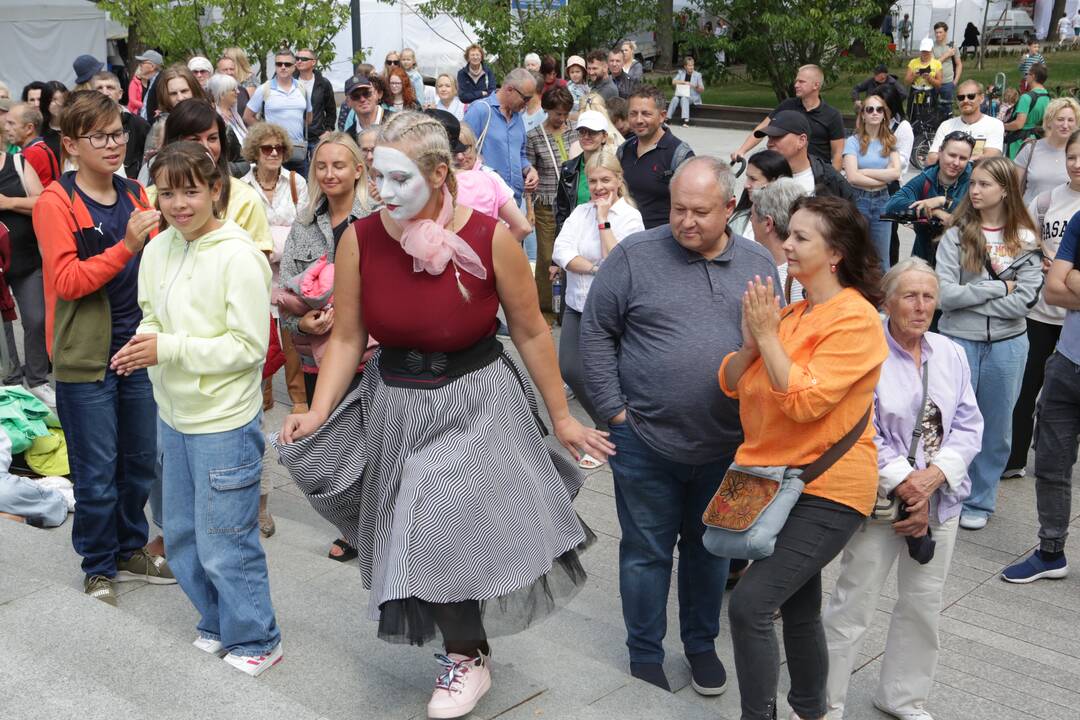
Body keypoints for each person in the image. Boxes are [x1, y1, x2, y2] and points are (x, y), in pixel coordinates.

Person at [276, 111, 610, 719]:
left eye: (400, 178)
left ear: (439, 172)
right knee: (412, 534)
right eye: (378, 176)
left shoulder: (490, 237)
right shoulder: (361, 238)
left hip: (475, 398)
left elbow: (533, 331)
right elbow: (348, 337)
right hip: (396, 401)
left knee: (433, 520)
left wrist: (561, 417)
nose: (384, 190)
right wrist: (317, 409)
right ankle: (468, 645)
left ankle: (464, 657)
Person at [581, 156, 779, 694]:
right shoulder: (635, 255)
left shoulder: (758, 264)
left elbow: (771, 347)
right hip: (644, 438)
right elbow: (596, 331)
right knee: (645, 551)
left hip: (725, 446)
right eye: (677, 209)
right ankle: (644, 651)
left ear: (730, 207)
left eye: (699, 211)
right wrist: (614, 413)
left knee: (708, 549)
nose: (685, 221)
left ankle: (699, 645)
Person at [107, 138, 279, 673]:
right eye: (167, 194)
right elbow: (152, 314)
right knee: (179, 533)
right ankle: (217, 621)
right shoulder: (158, 247)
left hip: (225, 420)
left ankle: (257, 639)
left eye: (190, 192)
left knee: (227, 538)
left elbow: (249, 348)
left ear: (215, 191)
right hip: (173, 413)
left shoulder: (240, 255)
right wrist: (144, 344)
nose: (179, 204)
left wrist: (168, 348)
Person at [721, 195, 888, 720]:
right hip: (772, 481)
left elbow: (805, 401)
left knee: (750, 606)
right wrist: (754, 344)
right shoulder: (792, 312)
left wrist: (768, 337)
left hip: (828, 487)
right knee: (798, 607)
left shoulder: (856, 319)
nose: (785, 244)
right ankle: (813, 710)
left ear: (835, 253)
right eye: (787, 234)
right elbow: (729, 384)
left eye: (800, 238)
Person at [823, 257, 983, 720]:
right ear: (887, 302)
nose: (920, 306)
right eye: (909, 296)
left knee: (923, 605)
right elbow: (861, 428)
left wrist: (934, 479)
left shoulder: (949, 352)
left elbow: (969, 425)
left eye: (929, 296)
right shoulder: (867, 352)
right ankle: (823, 703)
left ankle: (903, 698)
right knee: (853, 602)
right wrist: (908, 484)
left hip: (941, 498)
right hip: (882, 501)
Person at [31, 91, 175, 606]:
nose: (114, 145)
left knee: (139, 462)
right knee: (95, 473)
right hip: (84, 356)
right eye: (101, 136)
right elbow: (68, 280)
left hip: (135, 347)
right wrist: (127, 246)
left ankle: (129, 547)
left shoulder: (135, 192)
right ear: (70, 144)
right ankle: (97, 565)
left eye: (119, 134)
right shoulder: (56, 201)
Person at [277, 131, 378, 562]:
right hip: (318, 351)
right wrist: (302, 319)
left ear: (358, 170)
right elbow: (284, 295)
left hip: (372, 351)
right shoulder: (304, 226)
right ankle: (352, 524)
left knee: (374, 442)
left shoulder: (377, 219)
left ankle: (377, 526)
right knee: (332, 446)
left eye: (339, 165)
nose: (329, 174)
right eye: (321, 166)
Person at [935, 156, 1042, 531]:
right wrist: (996, 287)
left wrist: (973, 294)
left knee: (996, 426)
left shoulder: (1025, 239)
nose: (975, 190)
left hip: (1007, 344)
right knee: (949, 420)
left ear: (1005, 190)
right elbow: (944, 295)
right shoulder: (956, 234)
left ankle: (981, 498)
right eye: (973, 183)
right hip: (958, 339)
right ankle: (945, 487)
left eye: (984, 184)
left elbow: (1025, 300)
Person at [1001, 168, 1080, 582]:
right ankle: (1051, 552)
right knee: (1050, 464)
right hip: (1067, 363)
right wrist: (1064, 278)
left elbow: (1067, 282)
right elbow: (1052, 289)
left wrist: (1073, 278)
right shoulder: (1079, 220)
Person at [552, 149, 642, 462]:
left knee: (603, 372)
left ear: (618, 180)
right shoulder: (580, 213)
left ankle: (613, 433)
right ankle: (608, 426)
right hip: (577, 304)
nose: (599, 187)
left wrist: (604, 221)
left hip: (609, 310)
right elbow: (561, 251)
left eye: (605, 179)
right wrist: (592, 267)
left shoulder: (630, 218)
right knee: (570, 368)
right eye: (593, 181)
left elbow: (618, 262)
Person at [1003, 127, 1080, 481]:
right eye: (1071, 157)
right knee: (1026, 388)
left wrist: (1066, 276)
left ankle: (1058, 458)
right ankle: (1014, 457)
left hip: (1073, 320)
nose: (1076, 164)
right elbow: (1022, 239)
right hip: (1042, 313)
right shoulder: (1047, 200)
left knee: (1064, 400)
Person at [240, 121, 309, 424]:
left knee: (291, 333)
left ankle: (299, 397)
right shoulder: (241, 187)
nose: (273, 153)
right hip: (256, 272)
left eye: (279, 148)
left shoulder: (296, 182)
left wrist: (271, 242)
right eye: (267, 148)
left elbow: (303, 225)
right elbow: (242, 231)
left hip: (291, 269)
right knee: (261, 332)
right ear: (255, 152)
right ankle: (263, 392)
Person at [0, 127, 51, 406]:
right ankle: (11, 381)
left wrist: (9, 202)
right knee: (2, 326)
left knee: (35, 318)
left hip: (25, 258)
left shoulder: (17, 163)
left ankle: (38, 379)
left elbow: (43, 201)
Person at [885, 131, 974, 265]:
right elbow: (891, 205)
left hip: (962, 262)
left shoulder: (975, 180)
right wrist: (933, 212)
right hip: (923, 258)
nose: (956, 162)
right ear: (940, 152)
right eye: (952, 155)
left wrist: (943, 201)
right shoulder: (926, 178)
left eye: (963, 158)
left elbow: (980, 212)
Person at [732, 65, 845, 170]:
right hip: (785, 170)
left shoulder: (832, 115)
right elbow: (762, 128)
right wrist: (742, 150)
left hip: (817, 174)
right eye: (796, 81)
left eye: (801, 82)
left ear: (816, 85)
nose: (796, 85)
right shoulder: (787, 105)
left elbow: (837, 155)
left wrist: (832, 184)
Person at [525, 87, 576, 318]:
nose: (562, 118)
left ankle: (566, 306)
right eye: (558, 113)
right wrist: (529, 209)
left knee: (570, 254)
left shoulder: (576, 131)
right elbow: (528, 176)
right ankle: (544, 309)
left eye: (565, 113)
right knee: (547, 256)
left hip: (573, 204)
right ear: (547, 110)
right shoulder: (534, 135)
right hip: (545, 203)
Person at [617, 85, 694, 229]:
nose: (638, 120)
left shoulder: (679, 155)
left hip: (662, 240)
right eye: (633, 114)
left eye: (646, 114)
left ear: (662, 116)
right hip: (625, 237)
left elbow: (691, 205)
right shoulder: (623, 150)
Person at [462, 68, 539, 205]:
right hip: (485, 201)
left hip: (514, 202)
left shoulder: (518, 117)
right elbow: (461, 153)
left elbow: (520, 155)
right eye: (525, 98)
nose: (527, 103)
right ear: (509, 89)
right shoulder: (480, 110)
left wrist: (529, 170)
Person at [843, 93, 902, 272]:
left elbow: (896, 173)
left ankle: (883, 299)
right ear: (863, 114)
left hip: (883, 201)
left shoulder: (890, 141)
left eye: (879, 109)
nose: (875, 113)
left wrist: (866, 171)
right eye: (870, 109)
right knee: (857, 254)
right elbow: (852, 177)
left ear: (884, 114)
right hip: (858, 199)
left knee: (882, 258)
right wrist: (883, 175)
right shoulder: (853, 141)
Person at [450, 119, 531, 243]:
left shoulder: (490, 177)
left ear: (474, 146)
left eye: (465, 148)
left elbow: (522, 227)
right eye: (454, 152)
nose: (460, 157)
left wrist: (494, 254)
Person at [758, 110, 855, 201]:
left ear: (801, 140)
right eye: (769, 137)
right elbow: (744, 214)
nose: (769, 143)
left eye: (777, 136)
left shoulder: (830, 179)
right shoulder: (760, 173)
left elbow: (850, 215)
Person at [243, 49, 312, 175]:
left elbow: (308, 117)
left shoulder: (302, 88)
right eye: (279, 64)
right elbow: (248, 116)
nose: (283, 67)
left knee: (300, 190)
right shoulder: (264, 88)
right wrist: (265, 132)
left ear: (294, 66)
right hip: (273, 151)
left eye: (287, 64)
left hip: (297, 151)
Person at [748, 177, 808, 302]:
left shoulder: (798, 280)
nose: (751, 221)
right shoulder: (808, 268)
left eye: (752, 215)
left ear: (768, 224)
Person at [142, 65, 208, 176]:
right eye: (173, 94)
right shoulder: (160, 126)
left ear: (193, 90)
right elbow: (148, 168)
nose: (180, 97)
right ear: (166, 96)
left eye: (184, 91)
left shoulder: (210, 119)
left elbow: (238, 160)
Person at [554, 110, 612, 232]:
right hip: (575, 233)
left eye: (592, 132)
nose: (586, 136)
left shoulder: (614, 167)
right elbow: (562, 211)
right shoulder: (568, 169)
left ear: (604, 137)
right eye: (582, 132)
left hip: (607, 230)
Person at [1014, 97, 1080, 205]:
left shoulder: (1078, 153)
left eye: (1070, 120)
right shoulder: (1030, 149)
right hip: (1030, 217)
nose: (1065, 125)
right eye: (1060, 119)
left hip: (1067, 219)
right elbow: (1013, 188)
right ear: (1049, 122)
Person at [925, 80, 1004, 166]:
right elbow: (930, 159)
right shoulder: (946, 125)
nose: (965, 100)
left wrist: (950, 158)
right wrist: (973, 158)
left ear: (981, 98)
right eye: (961, 97)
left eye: (971, 96)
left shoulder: (994, 124)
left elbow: (991, 157)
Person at [91, 71, 151, 182]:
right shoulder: (86, 126)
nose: (105, 93)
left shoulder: (139, 124)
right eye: (99, 88)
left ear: (120, 93)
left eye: (110, 87)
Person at [728, 149, 792, 240]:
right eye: (747, 178)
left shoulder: (794, 223)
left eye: (753, 179)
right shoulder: (739, 218)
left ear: (775, 182)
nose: (746, 185)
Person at [294, 48, 337, 162]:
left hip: (317, 137)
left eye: (303, 59)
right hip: (295, 139)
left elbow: (331, 110)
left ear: (313, 62)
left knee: (318, 171)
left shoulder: (323, 83)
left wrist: (328, 130)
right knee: (297, 174)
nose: (299, 61)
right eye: (297, 58)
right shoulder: (289, 82)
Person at [4, 103, 60, 187]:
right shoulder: (41, 148)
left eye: (11, 123)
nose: (6, 128)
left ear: (29, 128)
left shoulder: (33, 153)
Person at [1005, 63, 1051, 159]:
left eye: (1027, 74)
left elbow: (1019, 124)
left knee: (1015, 171)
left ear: (1033, 76)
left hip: (1020, 141)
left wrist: (1002, 125)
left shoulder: (1026, 97)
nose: (1026, 76)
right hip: (1036, 138)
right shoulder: (1047, 97)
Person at [340, 74, 385, 141]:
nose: (362, 99)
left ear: (375, 94)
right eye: (356, 96)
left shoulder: (395, 120)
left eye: (366, 93)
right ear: (348, 102)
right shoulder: (349, 138)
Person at [208, 72, 247, 148]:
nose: (238, 92)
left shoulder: (234, 114)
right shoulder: (214, 118)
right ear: (222, 94)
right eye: (233, 90)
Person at [667, 56, 704, 127]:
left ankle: (686, 120)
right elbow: (673, 82)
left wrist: (693, 85)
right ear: (685, 66)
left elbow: (702, 89)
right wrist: (684, 82)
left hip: (693, 97)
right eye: (689, 65)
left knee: (684, 98)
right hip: (681, 94)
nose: (692, 67)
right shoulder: (681, 73)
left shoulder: (697, 75)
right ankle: (667, 119)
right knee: (675, 98)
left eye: (692, 65)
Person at [932, 22, 963, 105]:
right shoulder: (932, 46)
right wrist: (946, 55)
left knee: (947, 108)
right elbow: (932, 65)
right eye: (936, 32)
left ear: (945, 32)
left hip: (948, 82)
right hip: (933, 82)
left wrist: (955, 81)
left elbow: (959, 64)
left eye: (940, 32)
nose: (938, 35)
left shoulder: (952, 45)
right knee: (931, 107)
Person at [128, 50, 162, 117]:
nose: (140, 66)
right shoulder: (151, 81)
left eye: (142, 63)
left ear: (152, 67)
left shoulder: (160, 81)